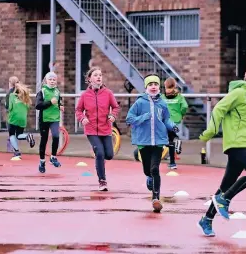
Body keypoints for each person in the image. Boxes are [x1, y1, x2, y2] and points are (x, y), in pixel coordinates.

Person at [197, 56, 246, 236]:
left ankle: (206, 219)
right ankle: (226, 199)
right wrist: (211, 131)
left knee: (226, 185)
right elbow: (218, 109)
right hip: (236, 144)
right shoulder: (239, 93)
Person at [126, 74, 179, 213]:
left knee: (155, 169)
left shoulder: (162, 103)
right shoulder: (139, 103)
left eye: (156, 84)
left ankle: (156, 198)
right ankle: (149, 178)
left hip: (159, 141)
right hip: (143, 141)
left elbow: (166, 119)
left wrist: (172, 126)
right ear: (146, 88)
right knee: (147, 170)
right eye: (150, 84)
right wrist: (144, 117)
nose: (153, 86)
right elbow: (129, 118)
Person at [75, 67, 120, 191]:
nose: (99, 77)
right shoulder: (85, 95)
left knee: (109, 155)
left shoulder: (108, 93)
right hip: (91, 129)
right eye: (96, 75)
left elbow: (115, 107)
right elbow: (78, 110)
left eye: (100, 75)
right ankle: (102, 180)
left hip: (106, 129)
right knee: (100, 153)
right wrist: (82, 118)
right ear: (90, 79)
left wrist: (112, 115)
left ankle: (99, 158)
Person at [35, 72, 64, 173]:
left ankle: (53, 157)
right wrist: (49, 102)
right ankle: (42, 161)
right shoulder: (42, 91)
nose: (52, 81)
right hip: (44, 119)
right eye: (50, 80)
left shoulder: (57, 91)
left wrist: (60, 106)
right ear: (46, 81)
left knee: (56, 136)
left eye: (54, 80)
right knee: (44, 140)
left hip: (55, 119)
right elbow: (38, 105)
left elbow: (59, 101)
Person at [161, 77, 188, 169]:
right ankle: (172, 163)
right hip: (176, 120)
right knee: (171, 140)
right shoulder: (179, 96)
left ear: (165, 86)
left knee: (166, 140)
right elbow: (185, 106)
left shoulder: (163, 97)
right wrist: (181, 114)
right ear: (175, 86)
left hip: (165, 121)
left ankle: (172, 162)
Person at [7, 79, 35, 158]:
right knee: (19, 134)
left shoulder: (12, 96)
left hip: (13, 118)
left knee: (12, 135)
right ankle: (27, 136)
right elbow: (28, 107)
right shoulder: (25, 97)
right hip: (23, 119)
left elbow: (10, 108)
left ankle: (17, 151)